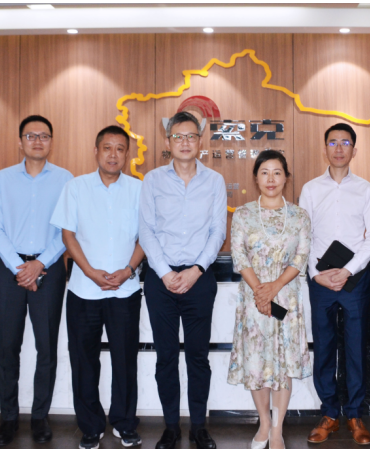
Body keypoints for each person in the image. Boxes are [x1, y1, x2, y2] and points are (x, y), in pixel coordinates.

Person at [50, 126, 144, 449]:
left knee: (125, 361)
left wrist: (128, 270)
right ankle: (90, 426)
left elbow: (147, 236)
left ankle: (124, 423)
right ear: (96, 151)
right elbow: (67, 235)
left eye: (120, 149)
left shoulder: (139, 189)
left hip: (125, 292)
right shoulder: (75, 187)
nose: (113, 154)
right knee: (84, 361)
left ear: (127, 154)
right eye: (107, 148)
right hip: (83, 290)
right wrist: (89, 272)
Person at [138, 111, 226, 449]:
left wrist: (196, 270)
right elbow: (146, 230)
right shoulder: (152, 180)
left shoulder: (214, 181)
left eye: (191, 136)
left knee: (198, 357)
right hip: (161, 281)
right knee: (166, 357)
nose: (185, 142)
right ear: (168, 141)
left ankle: (199, 427)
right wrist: (164, 272)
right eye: (179, 137)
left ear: (200, 141)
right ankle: (171, 427)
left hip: (199, 279)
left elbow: (217, 231)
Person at [0, 115, 73, 446]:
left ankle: (39, 417)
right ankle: (8, 418)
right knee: (8, 346)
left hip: (49, 269)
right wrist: (19, 268)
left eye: (44, 136)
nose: (38, 141)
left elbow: (67, 230)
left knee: (46, 346)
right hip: (9, 271)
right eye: (31, 135)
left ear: (52, 141)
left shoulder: (65, 179)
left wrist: (39, 264)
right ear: (20, 141)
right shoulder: (3, 179)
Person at [300, 123, 370, 446]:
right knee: (323, 348)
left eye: (345, 143)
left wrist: (347, 270)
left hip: (354, 280)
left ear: (354, 150)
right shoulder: (310, 189)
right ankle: (330, 413)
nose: (338, 148)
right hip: (320, 280)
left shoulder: (365, 189)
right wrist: (315, 273)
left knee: (355, 348)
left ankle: (355, 414)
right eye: (332, 142)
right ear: (325, 149)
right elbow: (303, 236)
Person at [227, 150, 312, 449]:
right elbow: (239, 256)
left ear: (286, 177)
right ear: (256, 178)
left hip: (285, 298)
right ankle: (264, 423)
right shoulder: (243, 214)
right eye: (264, 172)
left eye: (277, 172)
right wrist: (260, 291)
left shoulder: (299, 216)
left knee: (283, 363)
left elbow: (301, 257)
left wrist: (274, 287)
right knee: (257, 362)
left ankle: (278, 429)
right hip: (253, 299)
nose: (271, 179)